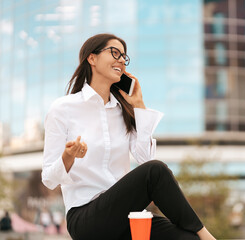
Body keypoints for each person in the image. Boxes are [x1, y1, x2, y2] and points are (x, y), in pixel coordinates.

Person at [41, 33, 216, 240]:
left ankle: (199, 236)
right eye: (114, 52)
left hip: (124, 216)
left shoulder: (123, 111)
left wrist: (139, 106)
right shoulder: (63, 108)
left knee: (187, 239)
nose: (122, 60)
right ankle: (207, 236)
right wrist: (69, 156)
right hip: (86, 220)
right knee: (156, 170)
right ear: (92, 58)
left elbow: (145, 160)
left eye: (124, 56)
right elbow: (49, 179)